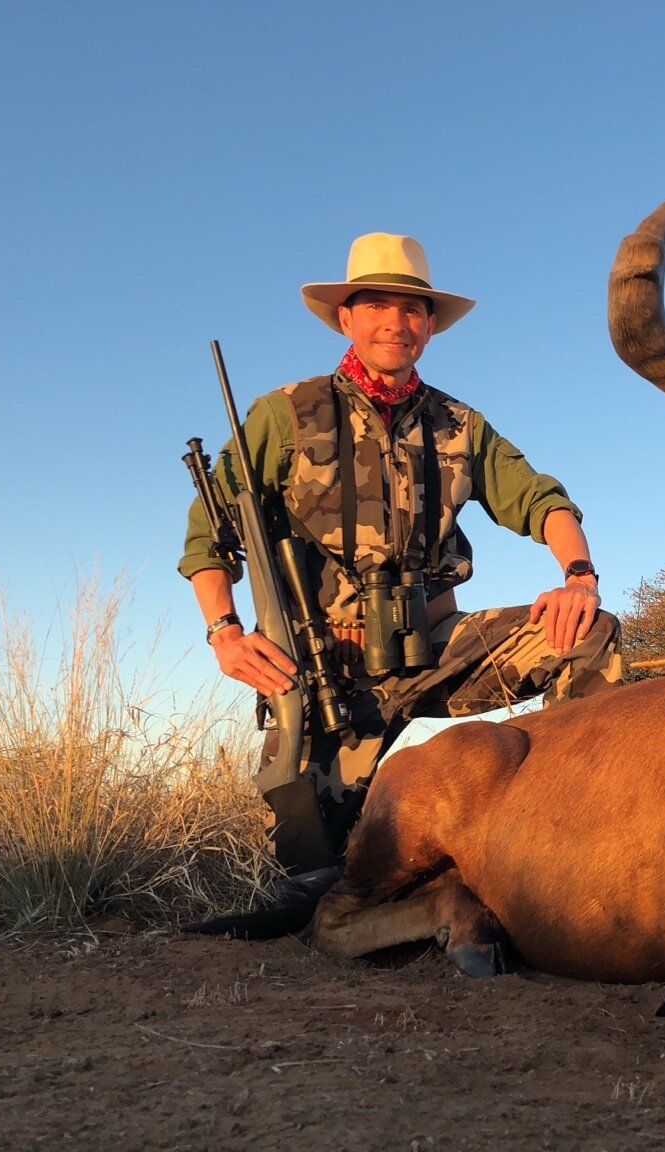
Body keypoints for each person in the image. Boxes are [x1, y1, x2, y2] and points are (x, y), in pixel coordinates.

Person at [180, 232, 621, 877]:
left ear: (431, 325)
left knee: (588, 634)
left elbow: (544, 500)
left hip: (436, 650)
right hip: (327, 668)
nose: (396, 322)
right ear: (346, 317)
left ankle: (565, 852)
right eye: (378, 306)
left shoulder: (461, 424)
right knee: (319, 876)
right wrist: (225, 633)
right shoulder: (284, 414)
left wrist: (578, 577)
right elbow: (208, 536)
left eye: (412, 308)